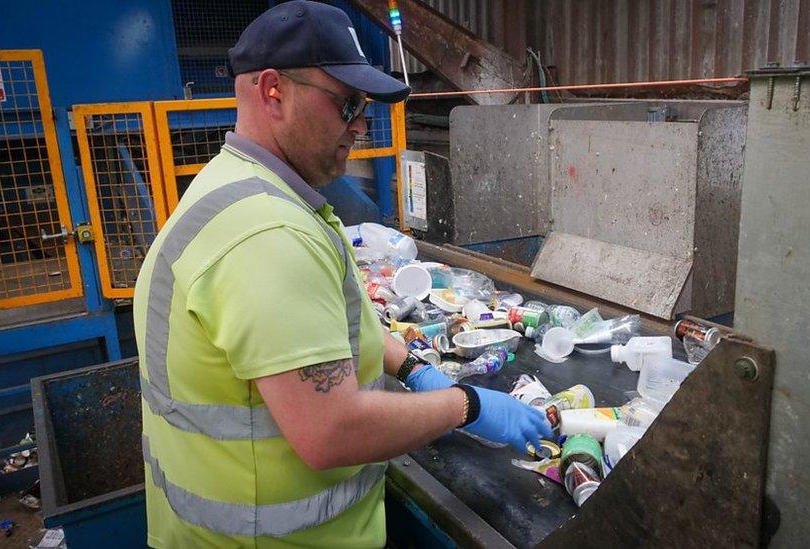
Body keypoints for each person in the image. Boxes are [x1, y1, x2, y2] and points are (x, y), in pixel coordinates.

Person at [133, 2, 551, 547]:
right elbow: (332, 431)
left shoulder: (236, 186)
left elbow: (322, 328)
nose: (361, 125)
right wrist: (466, 406)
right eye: (347, 103)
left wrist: (411, 367)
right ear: (272, 90)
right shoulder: (269, 237)